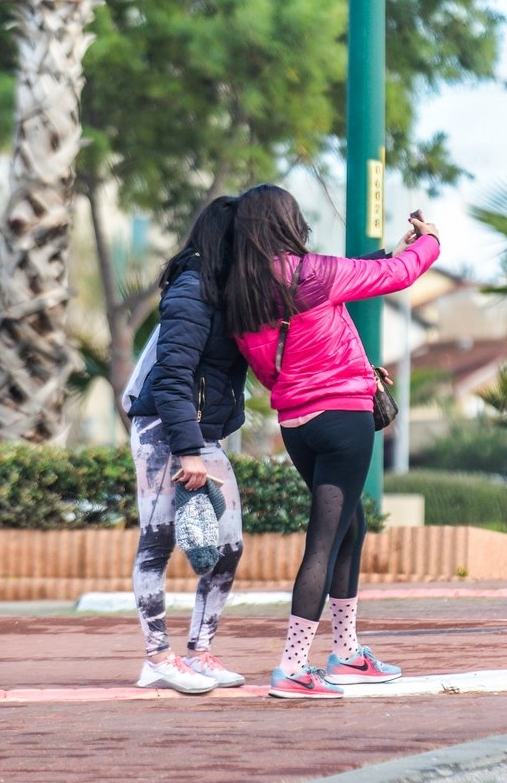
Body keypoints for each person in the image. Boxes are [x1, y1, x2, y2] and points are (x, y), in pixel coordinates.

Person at [227, 184, 440, 699]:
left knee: (350, 526)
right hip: (342, 421)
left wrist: (387, 248)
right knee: (323, 541)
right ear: (285, 223)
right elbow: (399, 275)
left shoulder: (242, 292)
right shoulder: (310, 273)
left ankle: (346, 652)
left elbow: (268, 361)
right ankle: (293, 665)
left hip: (298, 426)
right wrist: (428, 241)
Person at [123, 195, 249, 694]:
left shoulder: (228, 290)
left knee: (228, 545)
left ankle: (201, 651)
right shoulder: (192, 288)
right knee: (158, 542)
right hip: (163, 428)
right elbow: (173, 376)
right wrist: (188, 451)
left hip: (204, 432)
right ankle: (157, 657)